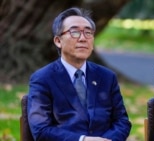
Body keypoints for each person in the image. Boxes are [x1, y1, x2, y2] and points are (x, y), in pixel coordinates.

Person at [27, 7, 131, 141]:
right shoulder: (43, 78)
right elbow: (41, 130)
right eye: (75, 32)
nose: (83, 38)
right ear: (58, 41)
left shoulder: (107, 77)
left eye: (88, 33)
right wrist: (82, 140)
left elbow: (122, 122)